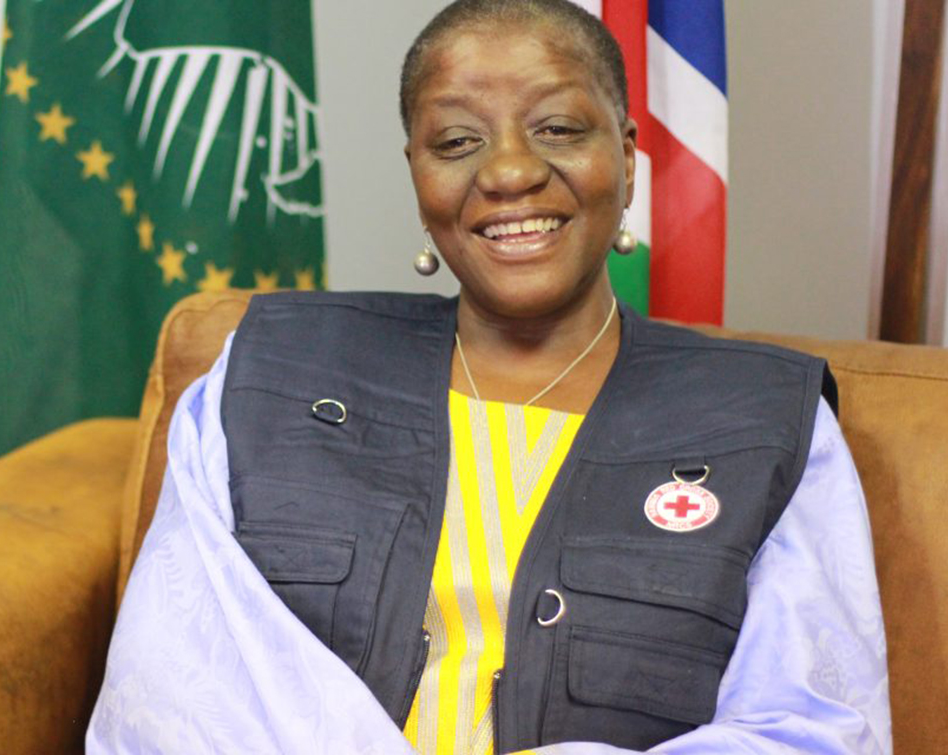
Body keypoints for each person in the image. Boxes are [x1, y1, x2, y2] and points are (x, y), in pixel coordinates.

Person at [87, 1, 890, 752]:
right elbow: (167, 692)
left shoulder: (766, 420)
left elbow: (812, 727)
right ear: (417, 176)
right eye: (456, 141)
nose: (508, 171)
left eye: (557, 128)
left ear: (626, 156)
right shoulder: (266, 371)